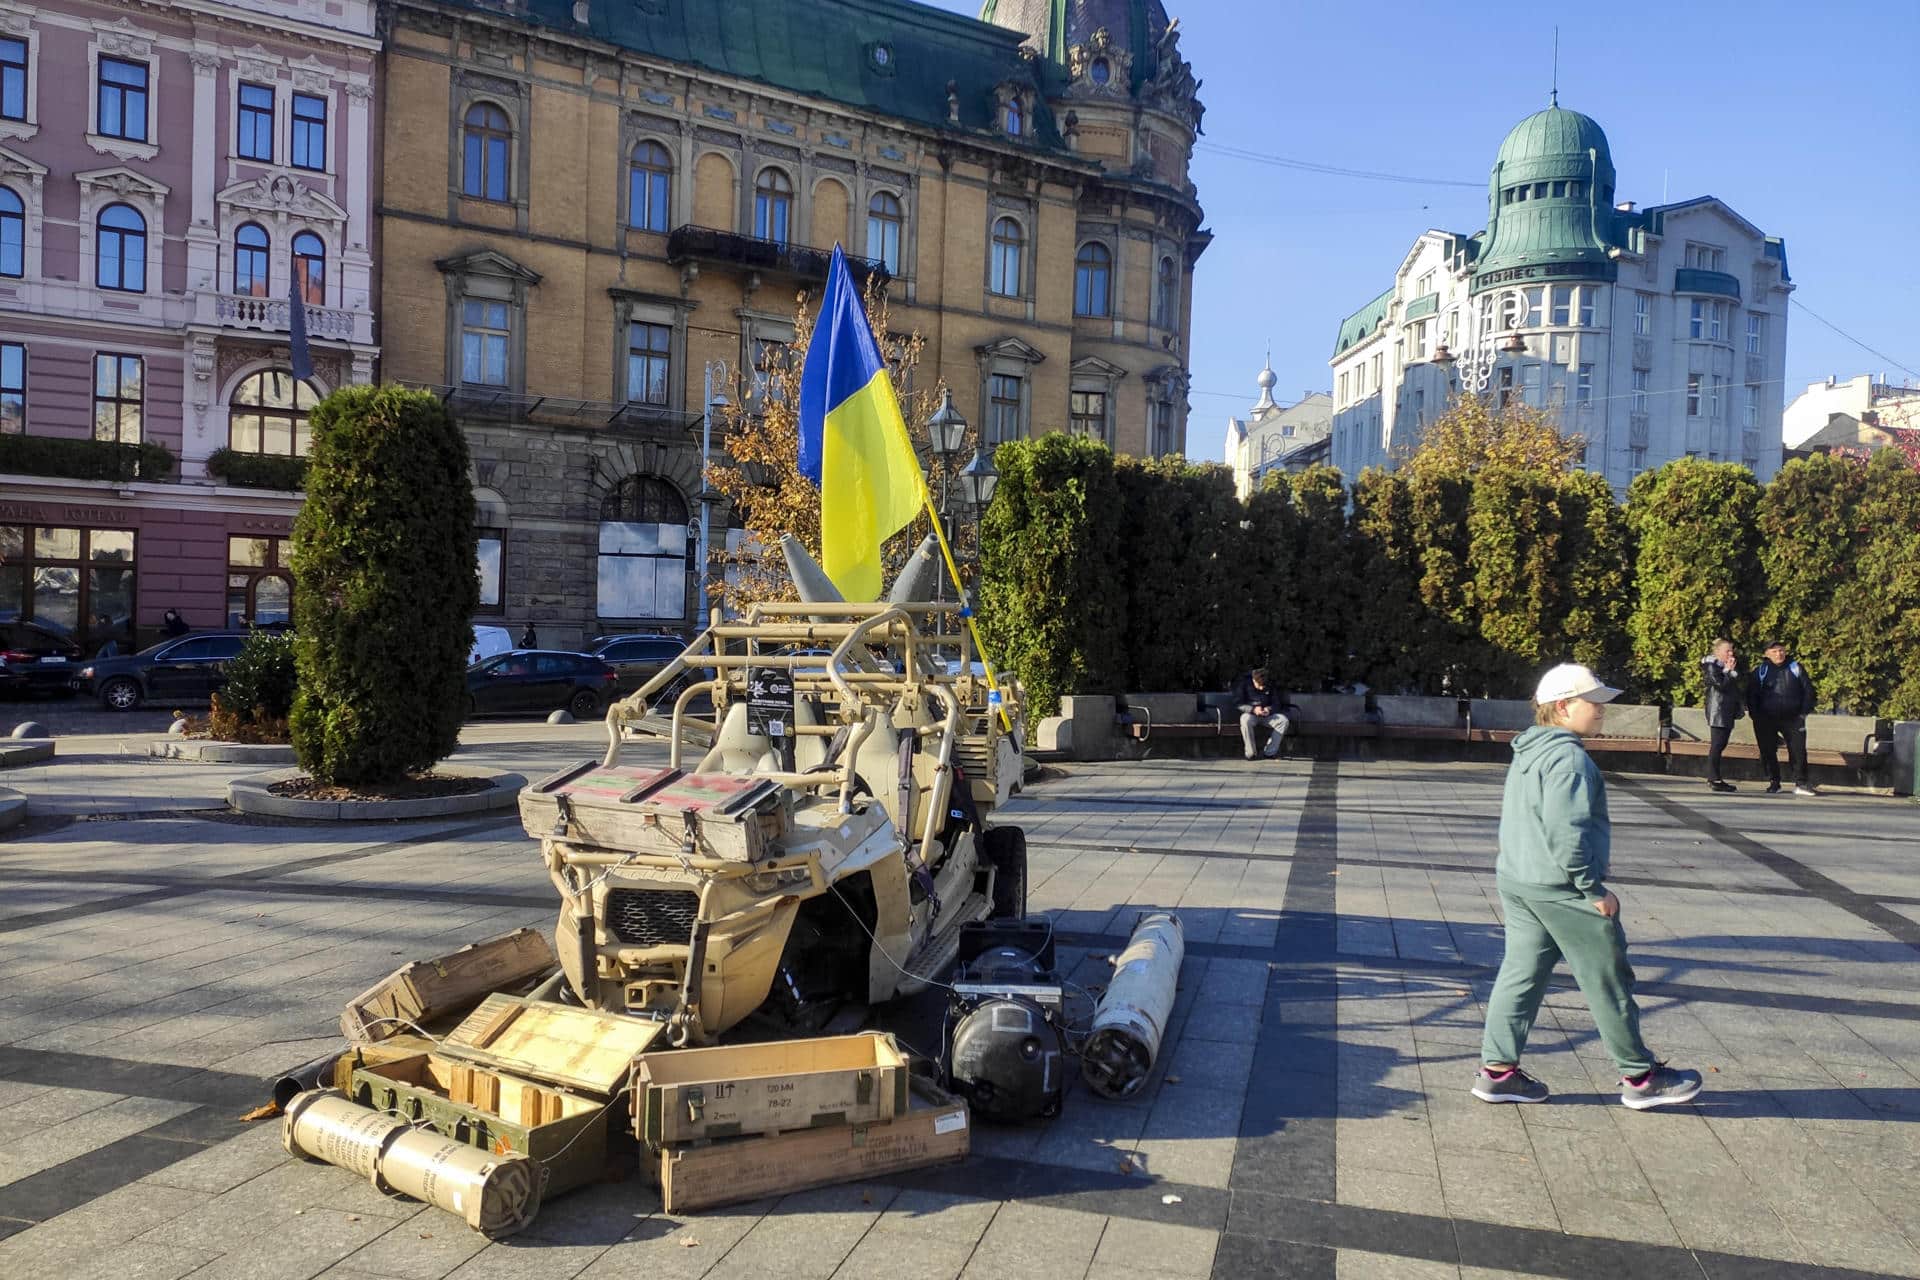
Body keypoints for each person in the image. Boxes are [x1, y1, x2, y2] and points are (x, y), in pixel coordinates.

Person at [1474, 662, 1703, 1110]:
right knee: (1608, 979)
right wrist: (1592, 890)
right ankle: (1640, 1078)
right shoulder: (1569, 758)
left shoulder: (1531, 749)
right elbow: (1568, 832)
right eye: (1592, 702)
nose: (1601, 710)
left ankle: (1497, 1073)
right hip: (1562, 889)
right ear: (1562, 707)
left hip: (1520, 879)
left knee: (1520, 976)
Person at [1748, 640, 1817, 796]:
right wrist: (1756, 716)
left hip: (1793, 718)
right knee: (1768, 750)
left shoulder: (1796, 668)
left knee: (1798, 750)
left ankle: (1801, 783)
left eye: (1781, 650)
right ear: (1766, 654)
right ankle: (1774, 782)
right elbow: (1752, 695)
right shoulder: (1760, 671)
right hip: (1766, 719)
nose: (1779, 654)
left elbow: (1808, 691)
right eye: (1774, 651)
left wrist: (1803, 713)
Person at [1699, 639, 1744, 793]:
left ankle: (1714, 777)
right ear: (1717, 652)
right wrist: (1728, 671)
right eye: (1727, 651)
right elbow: (1720, 685)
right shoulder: (1712, 666)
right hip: (1718, 710)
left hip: (1726, 710)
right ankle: (1714, 778)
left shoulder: (1721, 667)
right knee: (1717, 745)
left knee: (1720, 744)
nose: (1731, 654)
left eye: (1732, 650)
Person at [1232, 666, 1290, 761]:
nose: (1261, 687)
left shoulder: (1270, 685)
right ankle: (1251, 753)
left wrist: (1269, 709)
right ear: (1253, 680)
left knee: (1283, 720)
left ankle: (1270, 752)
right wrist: (1253, 709)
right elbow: (1238, 704)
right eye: (1259, 684)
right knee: (1245, 720)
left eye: (1263, 685)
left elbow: (1276, 703)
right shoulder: (1244, 684)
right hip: (1251, 714)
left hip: (1267, 715)